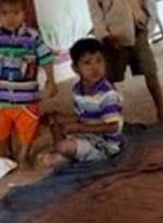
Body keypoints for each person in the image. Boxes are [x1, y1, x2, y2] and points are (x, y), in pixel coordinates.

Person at [0, 0, 57, 170]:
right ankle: (7, 151)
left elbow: (46, 57)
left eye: (16, 12)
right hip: (2, 97)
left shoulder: (33, 37)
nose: (10, 18)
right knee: (3, 128)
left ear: (24, 13)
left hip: (27, 97)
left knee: (28, 127)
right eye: (4, 13)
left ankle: (23, 155)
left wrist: (51, 80)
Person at [38, 38, 126, 167]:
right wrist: (60, 118)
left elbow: (114, 126)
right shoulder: (77, 90)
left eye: (99, 61)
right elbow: (83, 116)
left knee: (62, 147)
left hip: (104, 145)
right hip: (88, 135)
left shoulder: (108, 94)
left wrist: (80, 127)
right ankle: (68, 154)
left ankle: (67, 158)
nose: (94, 67)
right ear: (75, 68)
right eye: (87, 63)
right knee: (54, 123)